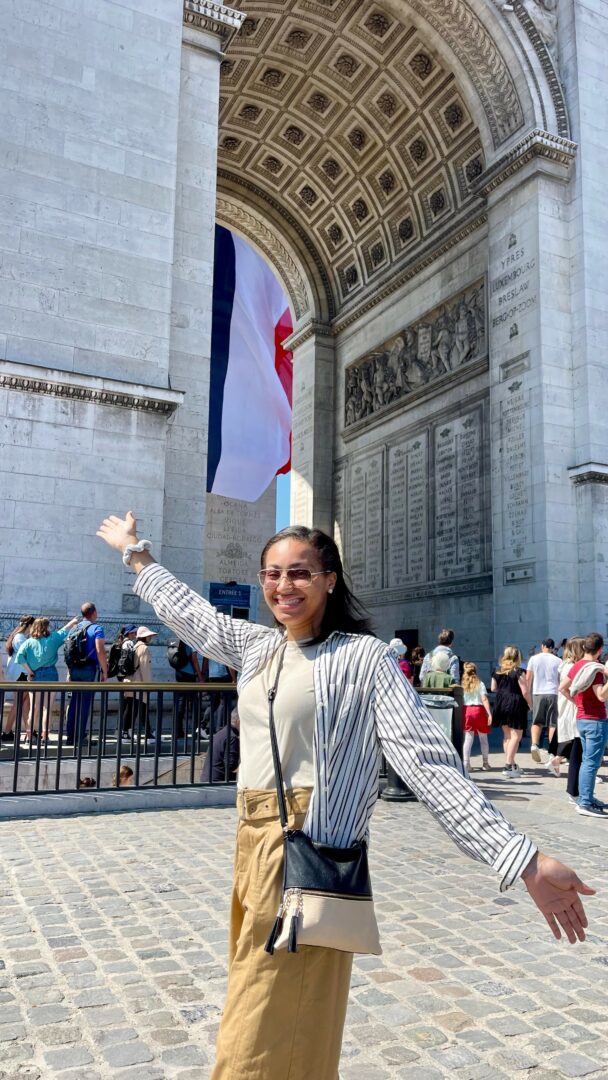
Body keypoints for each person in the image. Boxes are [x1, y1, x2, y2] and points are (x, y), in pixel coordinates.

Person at [96, 511, 594, 1080]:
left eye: (300, 573)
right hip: (252, 846)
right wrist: (136, 553)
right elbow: (192, 614)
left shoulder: (364, 658)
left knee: (257, 1035)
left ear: (330, 579)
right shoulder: (257, 646)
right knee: (285, 1024)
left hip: (310, 846)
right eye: (272, 574)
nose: (284, 586)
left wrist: (522, 858)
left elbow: (427, 763)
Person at [559, 632, 608, 818]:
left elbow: (562, 687)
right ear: (600, 650)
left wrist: (576, 703)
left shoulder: (578, 665)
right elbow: (601, 696)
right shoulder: (595, 670)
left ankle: (586, 797)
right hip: (595, 719)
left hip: (581, 719)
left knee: (587, 761)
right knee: (591, 763)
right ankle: (585, 803)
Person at [15, 615, 80, 744]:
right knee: (47, 708)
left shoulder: (28, 642)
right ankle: (45, 736)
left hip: (35, 675)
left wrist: (29, 671)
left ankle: (29, 736)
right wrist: (73, 621)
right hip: (51, 674)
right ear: (46, 627)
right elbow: (64, 630)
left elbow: (20, 657)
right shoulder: (53, 638)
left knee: (34, 708)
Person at [65, 601, 108, 745]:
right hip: (89, 669)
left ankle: (70, 736)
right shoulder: (97, 628)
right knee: (85, 703)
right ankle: (80, 737)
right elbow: (100, 650)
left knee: (74, 702)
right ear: (94, 612)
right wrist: (105, 671)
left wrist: (69, 671)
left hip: (74, 669)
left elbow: (69, 650)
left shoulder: (74, 628)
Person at [491, 646, 532, 778]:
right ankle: (508, 765)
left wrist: (504, 690)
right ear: (517, 657)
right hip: (515, 702)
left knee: (507, 736)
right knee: (516, 736)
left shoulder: (497, 671)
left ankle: (512, 764)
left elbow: (493, 688)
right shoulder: (519, 672)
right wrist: (530, 704)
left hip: (501, 702)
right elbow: (525, 691)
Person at [557, 637, 586, 798]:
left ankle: (575, 790)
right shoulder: (571, 666)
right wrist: (576, 701)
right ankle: (574, 791)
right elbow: (564, 689)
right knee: (577, 753)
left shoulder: (566, 665)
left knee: (577, 753)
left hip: (572, 711)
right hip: (574, 712)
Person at [526, 638, 561, 763]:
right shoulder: (558, 660)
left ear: (542, 646)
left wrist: (528, 696)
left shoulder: (533, 659)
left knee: (537, 721)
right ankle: (552, 751)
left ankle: (534, 745)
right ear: (552, 647)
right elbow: (560, 679)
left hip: (538, 692)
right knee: (553, 723)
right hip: (553, 693)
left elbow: (528, 678)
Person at [122, 626, 157, 740]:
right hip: (139, 683)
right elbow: (145, 669)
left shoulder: (135, 646)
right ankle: (127, 732)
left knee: (135, 709)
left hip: (130, 681)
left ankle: (145, 732)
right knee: (135, 710)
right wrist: (148, 686)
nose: (150, 637)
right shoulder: (144, 648)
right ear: (144, 637)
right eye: (149, 636)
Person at [3, 615, 34, 741]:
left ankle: (29, 732)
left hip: (17, 673)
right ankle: (7, 732)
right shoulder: (20, 638)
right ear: (29, 625)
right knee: (19, 703)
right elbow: (27, 656)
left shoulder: (16, 636)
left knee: (25, 703)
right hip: (22, 674)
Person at [461, 662, 492, 771]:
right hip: (479, 711)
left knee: (468, 739)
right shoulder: (480, 684)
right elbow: (484, 699)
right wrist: (489, 713)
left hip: (467, 710)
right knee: (483, 738)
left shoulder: (463, 684)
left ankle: (466, 763)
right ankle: (485, 763)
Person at [201, 707, 240, 783]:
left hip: (208, 779)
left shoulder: (223, 732)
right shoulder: (232, 737)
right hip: (219, 783)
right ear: (239, 722)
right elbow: (230, 766)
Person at [173, 640, 203, 737]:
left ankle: (177, 731)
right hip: (189, 675)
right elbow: (194, 660)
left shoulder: (178, 641)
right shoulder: (192, 641)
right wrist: (200, 677)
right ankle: (196, 730)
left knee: (180, 703)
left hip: (179, 674)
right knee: (194, 704)